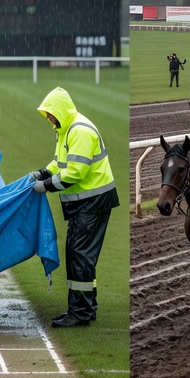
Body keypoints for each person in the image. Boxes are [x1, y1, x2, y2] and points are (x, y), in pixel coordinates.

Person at [28, 87, 118, 327]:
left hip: (92, 201)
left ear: (59, 110)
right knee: (81, 256)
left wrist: (45, 185)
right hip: (89, 202)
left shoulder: (79, 131)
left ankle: (79, 313)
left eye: (50, 114)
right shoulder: (66, 129)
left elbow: (75, 173)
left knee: (79, 255)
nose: (48, 119)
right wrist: (44, 172)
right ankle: (87, 307)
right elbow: (61, 163)